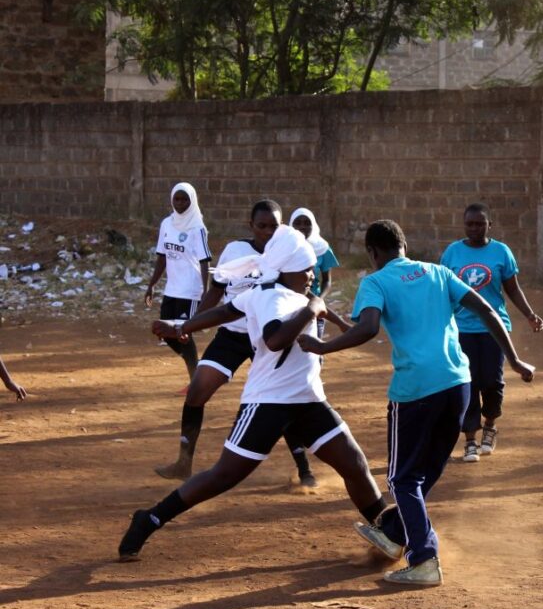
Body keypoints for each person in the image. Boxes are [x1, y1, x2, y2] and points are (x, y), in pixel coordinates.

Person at [118, 225, 387, 562]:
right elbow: (275, 339)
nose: (311, 274)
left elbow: (227, 311)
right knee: (224, 475)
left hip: (308, 400)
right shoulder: (274, 296)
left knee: (354, 464)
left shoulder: (282, 292)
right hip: (268, 402)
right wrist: (311, 310)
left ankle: (386, 530)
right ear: (288, 269)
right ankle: (151, 518)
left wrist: (183, 326)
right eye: (306, 269)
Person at [298, 219, 534, 586]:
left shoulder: (375, 281)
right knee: (423, 474)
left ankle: (424, 559)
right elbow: (487, 309)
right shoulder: (439, 273)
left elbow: (368, 327)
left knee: (403, 478)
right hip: (459, 383)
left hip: (415, 390)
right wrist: (515, 359)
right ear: (404, 245)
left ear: (373, 253)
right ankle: (394, 532)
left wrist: (322, 346)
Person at [154, 200, 318, 487]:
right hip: (233, 334)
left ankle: (304, 470)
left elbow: (302, 297)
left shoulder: (286, 256)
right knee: (197, 391)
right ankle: (184, 461)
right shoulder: (235, 251)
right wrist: (189, 325)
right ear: (250, 225)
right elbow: (216, 293)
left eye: (274, 226)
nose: (268, 231)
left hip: (268, 338)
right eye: (262, 225)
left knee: (283, 399)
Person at [440, 203, 543, 463]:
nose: (474, 228)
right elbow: (443, 292)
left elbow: (512, 288)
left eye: (480, 223)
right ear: (464, 225)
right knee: (469, 382)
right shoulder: (452, 253)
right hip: (462, 329)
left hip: (494, 328)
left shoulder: (501, 252)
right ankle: (470, 440)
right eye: (470, 224)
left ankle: (490, 425)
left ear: (489, 225)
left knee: (492, 381)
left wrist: (530, 314)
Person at [144, 183, 211, 380]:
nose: (180, 203)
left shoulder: (198, 228)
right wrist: (152, 284)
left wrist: (205, 291)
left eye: (185, 199)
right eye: (177, 199)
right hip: (171, 289)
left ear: (192, 201)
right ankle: (195, 368)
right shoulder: (167, 224)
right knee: (165, 332)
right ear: (172, 200)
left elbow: (204, 261)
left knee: (183, 333)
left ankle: (195, 378)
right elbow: (162, 257)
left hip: (190, 290)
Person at [289, 207, 341, 339]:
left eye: (307, 223)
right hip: (289, 304)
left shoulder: (322, 248)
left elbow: (327, 280)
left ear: (314, 226)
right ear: (291, 225)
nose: (302, 226)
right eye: (298, 223)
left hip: (313, 306)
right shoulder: (284, 248)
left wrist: (319, 299)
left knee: (315, 346)